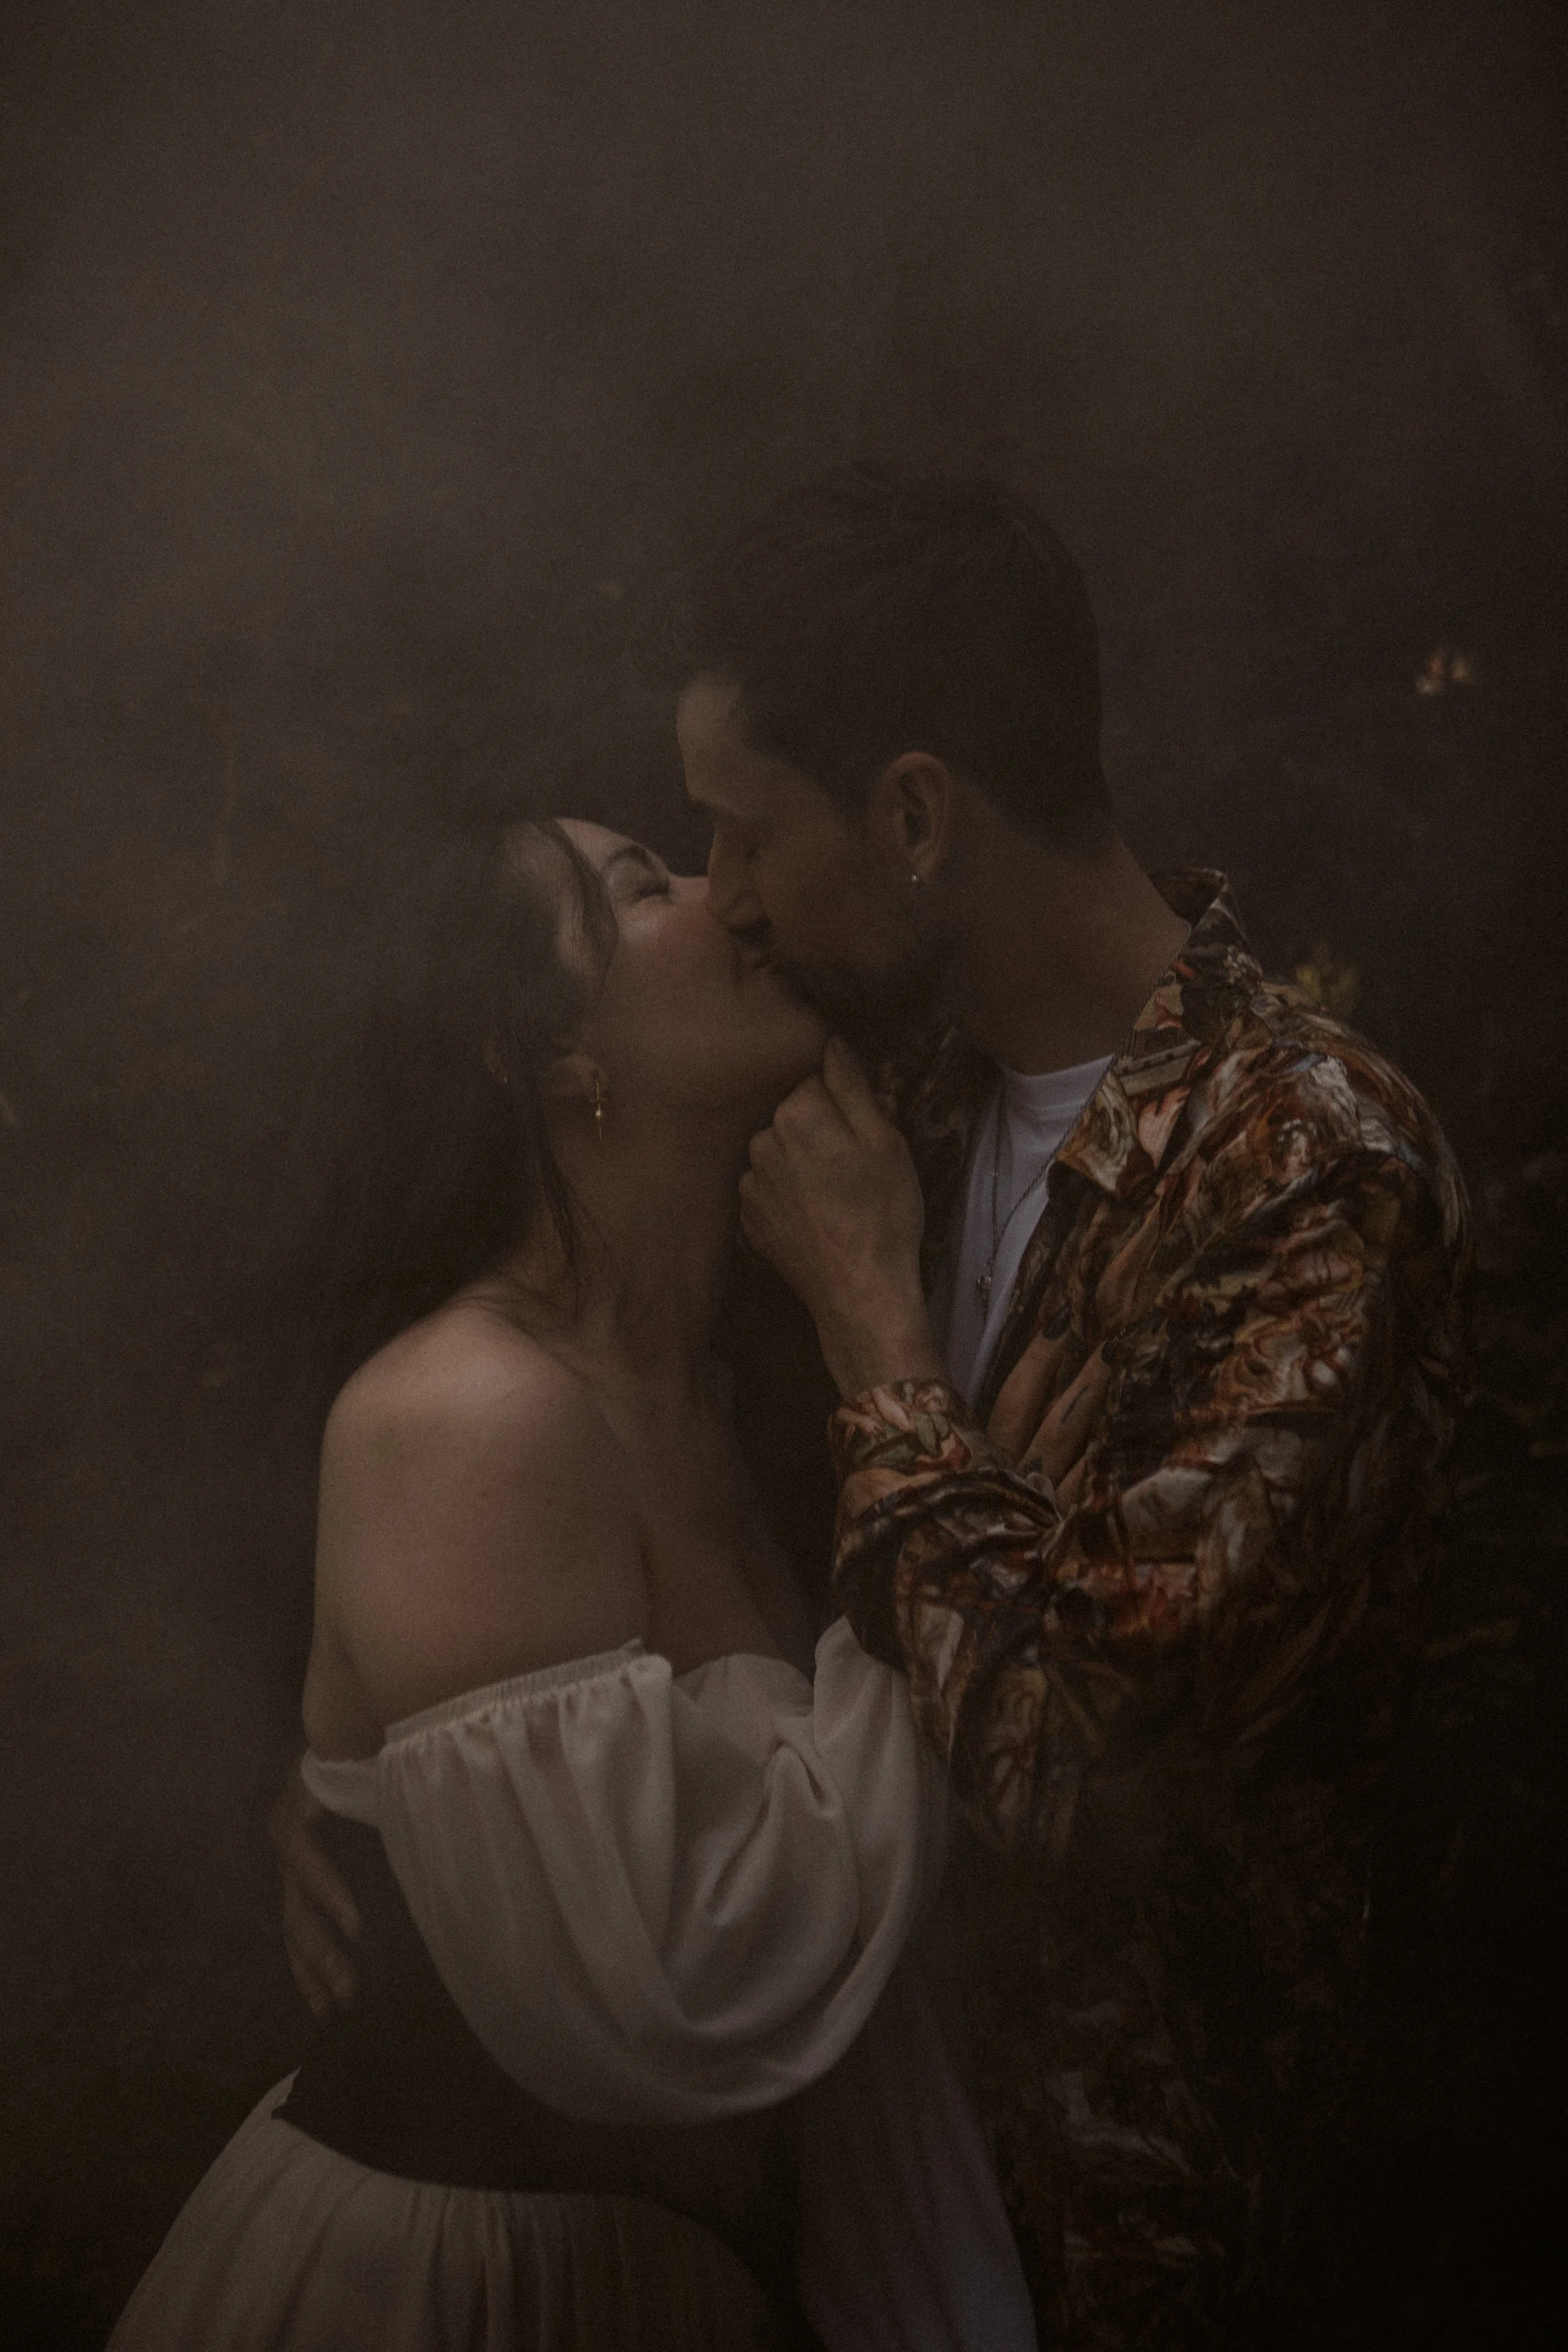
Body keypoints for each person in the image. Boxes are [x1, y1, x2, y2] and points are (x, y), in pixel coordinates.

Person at [672, 462, 1474, 2344]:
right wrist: (388, 1782)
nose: (718, 901)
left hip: (1107, 2246)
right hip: (832, 2171)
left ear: (916, 811)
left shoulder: (1309, 1166)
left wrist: (881, 1349)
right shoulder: (885, 1100)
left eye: (740, 833)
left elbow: (1066, 1765)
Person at [110, 815, 1037, 2352]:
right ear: (549, 1061)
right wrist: (887, 1352)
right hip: (454, 2298)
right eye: (640, 889)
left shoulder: (757, 1386)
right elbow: (678, 1993)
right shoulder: (472, 1413)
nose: (724, 893)